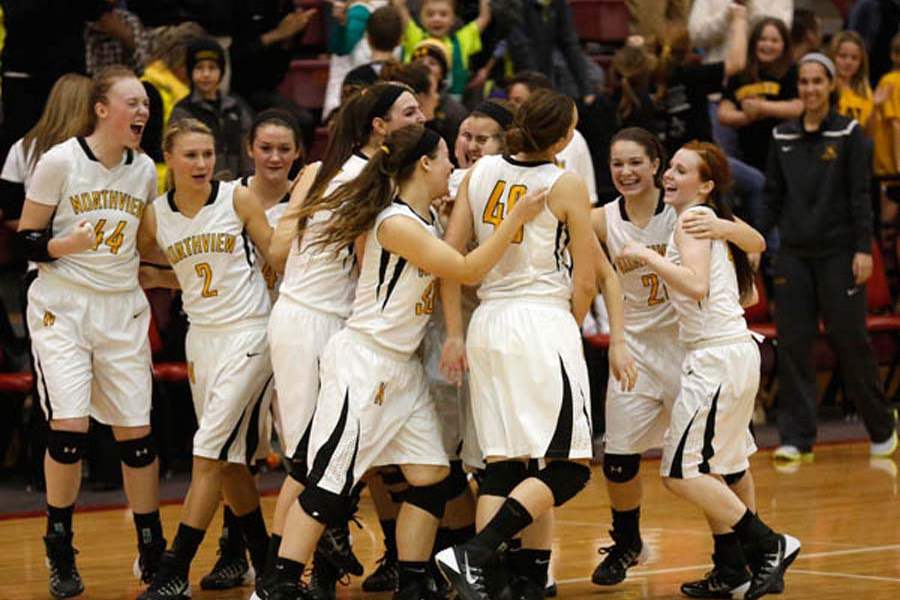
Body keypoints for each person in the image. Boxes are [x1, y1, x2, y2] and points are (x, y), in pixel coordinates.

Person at [254, 123, 546, 600]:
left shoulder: (420, 218)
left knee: (430, 478)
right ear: (425, 164)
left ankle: (413, 581)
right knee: (330, 483)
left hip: (401, 370)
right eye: (447, 157)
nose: (453, 165)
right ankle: (281, 582)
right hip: (364, 363)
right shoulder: (395, 222)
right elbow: (467, 269)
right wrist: (515, 218)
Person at [434, 88, 603, 600]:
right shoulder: (565, 183)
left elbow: (449, 256)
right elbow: (588, 282)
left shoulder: (479, 172)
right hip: (540, 323)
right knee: (568, 469)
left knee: (503, 469)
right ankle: (475, 554)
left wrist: (455, 333)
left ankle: (517, 580)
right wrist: (567, 328)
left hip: (486, 324)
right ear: (566, 135)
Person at [264, 83, 429, 599]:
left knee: (340, 454)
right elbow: (368, 269)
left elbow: (276, 249)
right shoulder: (374, 182)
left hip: (304, 315)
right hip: (322, 320)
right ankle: (279, 577)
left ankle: (325, 569)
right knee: (314, 459)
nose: (421, 116)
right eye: (409, 111)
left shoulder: (317, 169)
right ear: (379, 125)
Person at [622, 140, 800, 599]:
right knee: (727, 463)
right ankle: (736, 568)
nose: (669, 176)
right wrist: (723, 225)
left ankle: (768, 545)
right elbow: (758, 243)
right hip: (731, 352)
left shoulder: (692, 221)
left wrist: (648, 257)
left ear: (704, 184)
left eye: (681, 170)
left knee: (682, 471)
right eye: (672, 168)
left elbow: (697, 285)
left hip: (718, 356)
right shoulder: (705, 218)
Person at [589, 127, 767, 587]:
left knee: (720, 464)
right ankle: (627, 542)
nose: (625, 172)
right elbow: (556, 222)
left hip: (692, 348)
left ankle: (738, 556)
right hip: (637, 348)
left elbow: (754, 241)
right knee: (620, 460)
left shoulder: (683, 212)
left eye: (635, 163)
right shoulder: (602, 219)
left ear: (655, 167)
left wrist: (727, 226)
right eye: (616, 164)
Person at [15, 64, 164, 598]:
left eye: (146, 103)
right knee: (69, 431)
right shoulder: (59, 162)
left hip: (121, 307)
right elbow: (25, 242)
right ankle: (59, 545)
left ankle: (152, 551)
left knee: (138, 440)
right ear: (102, 109)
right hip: (63, 306)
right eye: (133, 102)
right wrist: (60, 246)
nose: (143, 111)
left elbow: (144, 243)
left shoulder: (144, 170)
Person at [137, 119, 276, 599]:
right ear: (169, 159)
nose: (201, 164)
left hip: (250, 334)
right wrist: (165, 282)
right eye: (191, 155)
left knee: (209, 450)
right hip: (202, 340)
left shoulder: (237, 199)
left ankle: (174, 568)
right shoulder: (156, 216)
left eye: (208, 154)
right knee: (230, 461)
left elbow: (276, 255)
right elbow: (186, 274)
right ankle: (266, 561)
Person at [762, 53, 899, 461]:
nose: (809, 89)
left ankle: (881, 427)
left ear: (830, 85)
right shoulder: (781, 136)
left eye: (817, 82)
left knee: (851, 340)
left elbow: (861, 196)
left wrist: (863, 249)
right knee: (794, 344)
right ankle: (796, 438)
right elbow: (772, 197)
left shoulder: (850, 133)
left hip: (841, 253)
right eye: (803, 82)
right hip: (794, 256)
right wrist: (754, 244)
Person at [197, 109, 304, 592]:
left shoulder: (308, 200)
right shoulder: (226, 199)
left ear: (299, 152)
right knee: (232, 450)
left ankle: (312, 549)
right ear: (249, 150)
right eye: (266, 148)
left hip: (298, 334)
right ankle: (235, 548)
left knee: (302, 450)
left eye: (284, 149)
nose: (275, 157)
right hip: (242, 334)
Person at [719, 17, 804, 172]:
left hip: (783, 154)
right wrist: (747, 116)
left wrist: (761, 107)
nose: (768, 45)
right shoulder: (740, 74)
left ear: (784, 45)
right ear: (753, 43)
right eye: (762, 39)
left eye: (774, 41)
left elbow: (798, 107)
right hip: (745, 155)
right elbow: (724, 113)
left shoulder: (792, 72)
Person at [170, 37, 256, 180]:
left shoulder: (237, 107)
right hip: (199, 186)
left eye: (212, 68)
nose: (206, 74)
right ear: (190, 72)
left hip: (237, 188)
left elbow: (248, 150)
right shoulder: (182, 112)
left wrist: (248, 180)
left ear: (221, 72)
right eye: (199, 68)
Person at [506, 71, 598, 204]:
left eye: (519, 101)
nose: (512, 106)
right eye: (510, 100)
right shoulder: (506, 137)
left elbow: (589, 198)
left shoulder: (574, 138)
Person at [394, 0, 491, 98]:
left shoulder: (461, 41)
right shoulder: (415, 37)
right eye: (430, 14)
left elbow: (484, 17)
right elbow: (399, 7)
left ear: (453, 19)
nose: (437, 19)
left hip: (450, 107)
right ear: (421, 19)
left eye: (443, 14)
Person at [830, 30, 877, 130]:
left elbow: (869, 133)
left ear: (861, 62)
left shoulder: (865, 92)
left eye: (854, 58)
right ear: (832, 56)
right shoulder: (827, 87)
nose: (848, 62)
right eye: (842, 56)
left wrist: (875, 107)